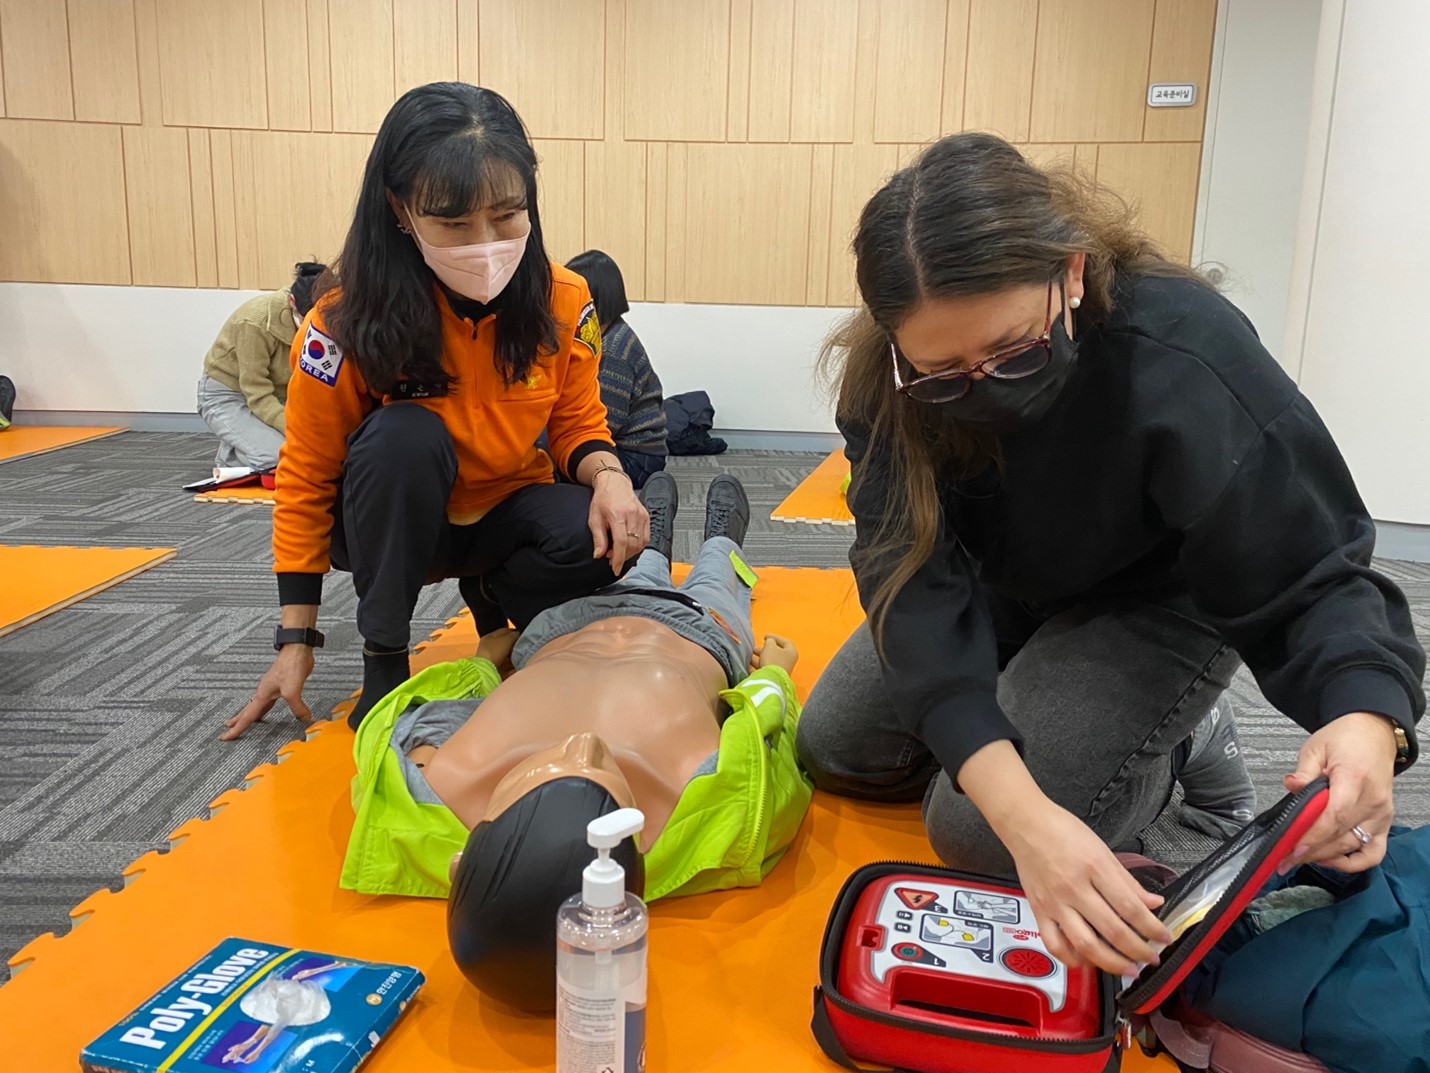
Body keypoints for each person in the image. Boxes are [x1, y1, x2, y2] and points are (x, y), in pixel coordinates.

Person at [797, 132, 1425, 980]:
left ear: (1074, 271)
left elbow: (1308, 559)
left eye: (1015, 351)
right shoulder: (888, 383)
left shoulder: (1183, 350)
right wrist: (1020, 797)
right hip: (1008, 579)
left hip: (1159, 593)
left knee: (976, 833)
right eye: (945, 374)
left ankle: (1189, 753)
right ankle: (1073, 724)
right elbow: (908, 584)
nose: (982, 389)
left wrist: (1364, 715)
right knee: (837, 745)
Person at [222, 83, 648, 740]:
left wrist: (611, 476)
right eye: (454, 223)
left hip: (503, 513)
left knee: (600, 540)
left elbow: (577, 421)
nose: (486, 243)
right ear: (400, 209)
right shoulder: (340, 322)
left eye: (508, 214)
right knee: (404, 436)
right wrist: (295, 636)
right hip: (394, 518)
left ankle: (499, 613)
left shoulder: (567, 298)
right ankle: (385, 657)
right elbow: (307, 474)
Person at [339, 474, 813, 1012]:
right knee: (717, 581)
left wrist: (481, 666)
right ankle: (722, 541)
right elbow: (767, 733)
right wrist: (776, 674)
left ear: (462, 861)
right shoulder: (707, 807)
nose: (582, 746)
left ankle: (653, 534)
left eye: (535, 775)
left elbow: (414, 714)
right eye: (604, 779)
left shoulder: (435, 782)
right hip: (701, 634)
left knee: (638, 565)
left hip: (566, 626)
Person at [197, 262, 325, 471]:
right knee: (279, 458)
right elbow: (256, 393)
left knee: (322, 452)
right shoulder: (255, 321)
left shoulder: (333, 317)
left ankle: (246, 438)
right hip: (230, 394)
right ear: (292, 302)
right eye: (306, 319)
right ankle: (232, 457)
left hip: (279, 395)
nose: (314, 327)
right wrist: (296, 430)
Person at [565, 249, 667, 487]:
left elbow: (605, 423)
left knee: (553, 464)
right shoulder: (600, 335)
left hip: (637, 458)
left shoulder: (614, 349)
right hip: (629, 449)